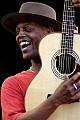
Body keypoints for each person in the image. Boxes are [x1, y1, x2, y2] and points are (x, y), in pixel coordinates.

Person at [1, 1, 80, 120]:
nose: (20, 35)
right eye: (18, 31)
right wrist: (56, 100)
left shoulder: (77, 74)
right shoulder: (13, 83)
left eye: (27, 29)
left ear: (49, 32)